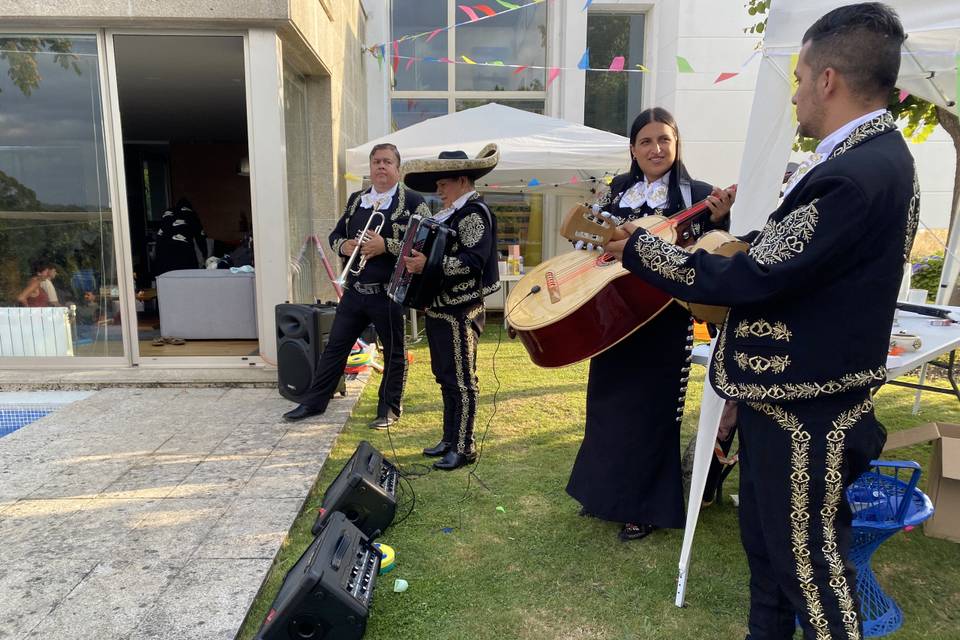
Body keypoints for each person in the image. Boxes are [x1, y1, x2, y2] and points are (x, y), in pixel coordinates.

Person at [606, 4, 915, 637]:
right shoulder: (875, 159)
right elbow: (798, 259)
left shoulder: (855, 174)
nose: (796, 93)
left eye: (799, 78)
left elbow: (755, 278)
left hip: (806, 410)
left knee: (809, 567)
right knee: (772, 555)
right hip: (789, 399)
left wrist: (642, 250)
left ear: (828, 79)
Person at [565, 108, 735, 541]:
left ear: (676, 145)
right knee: (605, 406)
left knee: (651, 412)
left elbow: (713, 255)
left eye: (664, 140)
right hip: (614, 313)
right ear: (633, 149)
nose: (655, 149)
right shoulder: (617, 190)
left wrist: (718, 221)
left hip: (664, 316)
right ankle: (601, 495)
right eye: (646, 141)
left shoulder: (699, 195)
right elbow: (592, 243)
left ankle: (643, 507)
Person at [283, 143, 428, 427]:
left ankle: (388, 409)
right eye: (376, 162)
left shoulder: (413, 201)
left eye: (387, 162)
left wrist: (385, 245)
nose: (381, 167)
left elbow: (424, 243)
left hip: (387, 293)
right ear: (371, 168)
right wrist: (345, 246)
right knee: (335, 349)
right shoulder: (356, 199)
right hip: (354, 291)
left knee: (394, 353)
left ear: (398, 169)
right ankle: (314, 403)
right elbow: (336, 234)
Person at [400, 144, 501, 470]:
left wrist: (430, 264)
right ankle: (449, 439)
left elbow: (473, 262)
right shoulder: (455, 213)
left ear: (461, 179)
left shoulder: (473, 213)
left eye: (443, 183)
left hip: (462, 309)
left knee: (461, 378)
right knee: (446, 376)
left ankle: (464, 446)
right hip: (442, 307)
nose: (438, 190)